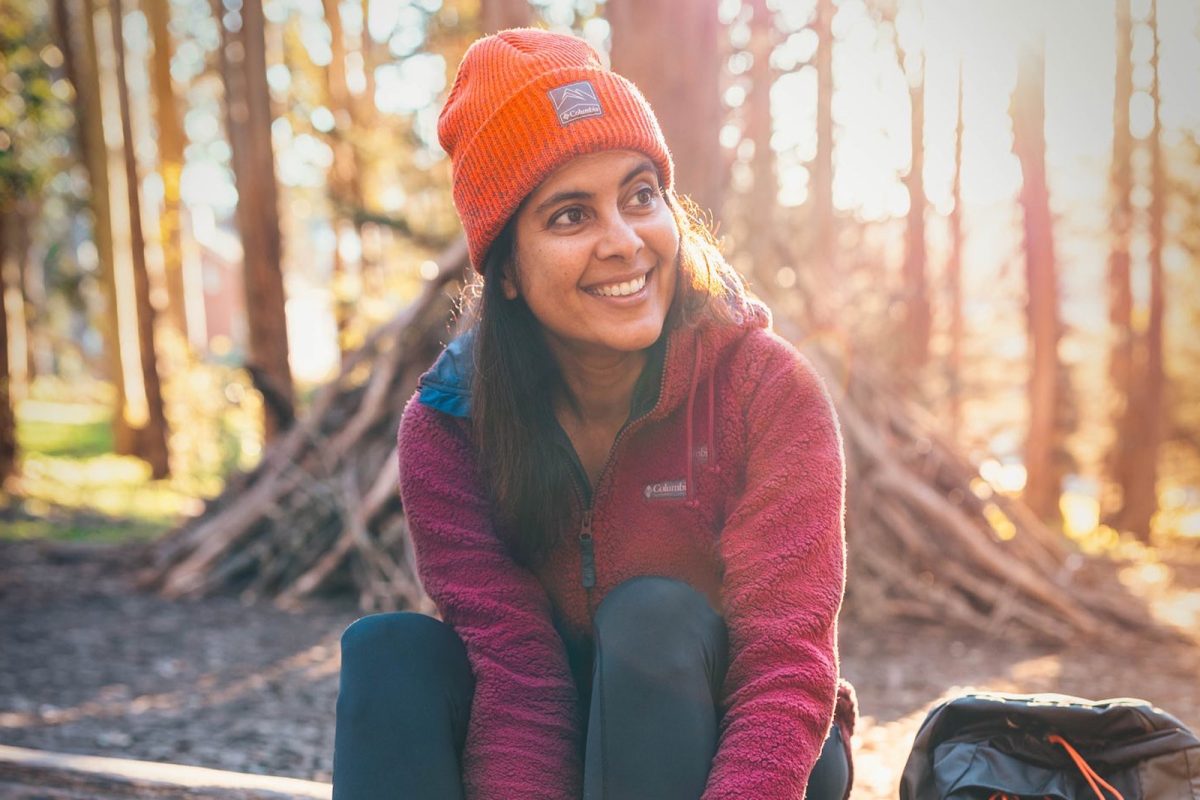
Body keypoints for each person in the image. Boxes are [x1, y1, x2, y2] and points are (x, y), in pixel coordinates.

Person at [333, 27, 855, 800]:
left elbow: (786, 670)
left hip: (753, 753)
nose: (625, 243)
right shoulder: (451, 426)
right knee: (389, 653)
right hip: (551, 743)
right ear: (506, 269)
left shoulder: (764, 390)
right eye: (571, 216)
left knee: (653, 616)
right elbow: (515, 674)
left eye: (641, 195)